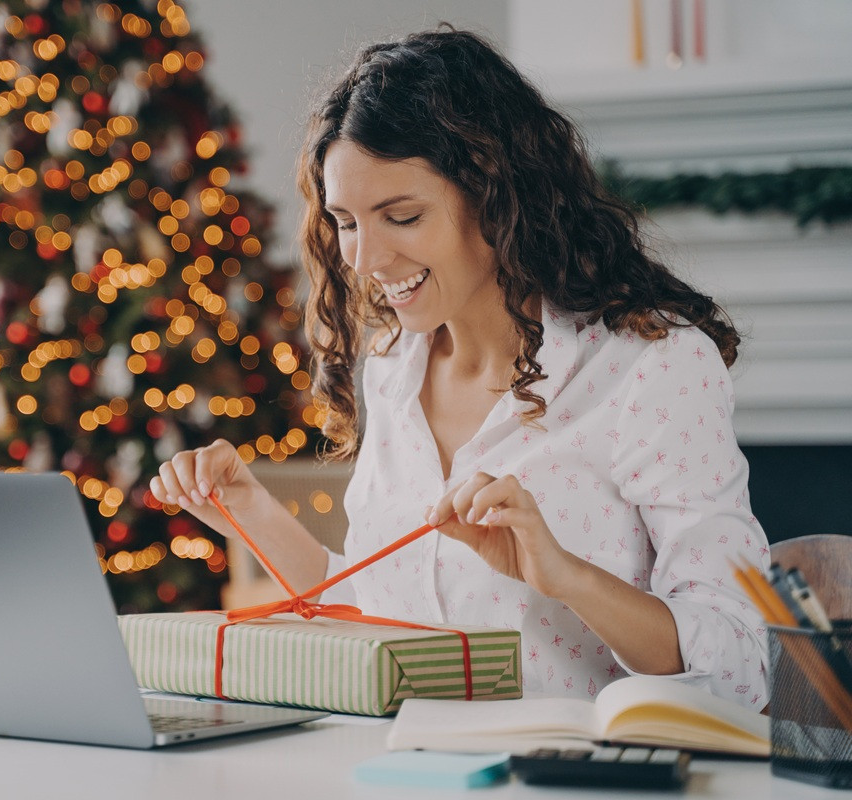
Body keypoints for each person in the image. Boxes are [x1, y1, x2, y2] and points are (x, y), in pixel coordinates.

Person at [149, 27, 769, 709]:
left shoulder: (652, 367)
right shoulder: (391, 367)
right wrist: (248, 510)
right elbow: (376, 610)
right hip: (398, 767)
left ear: (501, 199)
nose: (363, 261)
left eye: (402, 216)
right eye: (347, 223)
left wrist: (564, 575)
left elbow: (740, 665)